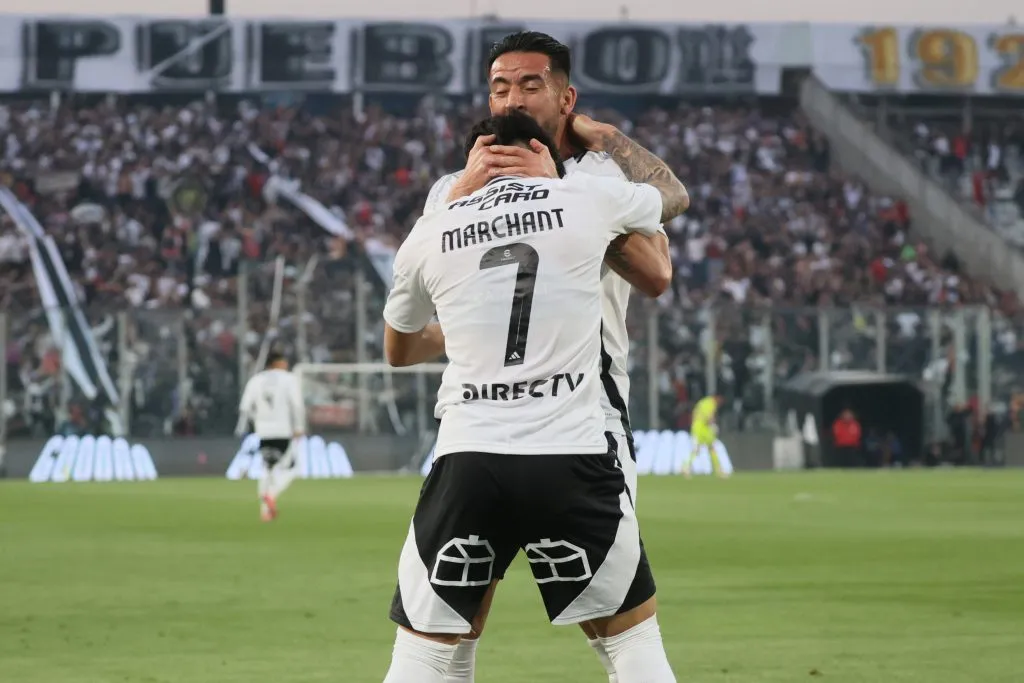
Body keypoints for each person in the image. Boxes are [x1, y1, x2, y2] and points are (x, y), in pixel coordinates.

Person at [379, 110, 688, 683]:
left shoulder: (433, 227)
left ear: (474, 162)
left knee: (429, 650)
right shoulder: (586, 198)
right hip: (571, 453)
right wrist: (606, 140)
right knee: (631, 642)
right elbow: (672, 196)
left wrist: (475, 322)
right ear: (545, 153)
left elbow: (398, 351)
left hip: (468, 456)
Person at [236, 350, 306, 522]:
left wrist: (258, 421)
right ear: (278, 363)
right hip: (283, 430)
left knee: (267, 468)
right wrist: (299, 426)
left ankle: (265, 511)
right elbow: (297, 405)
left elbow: (245, 407)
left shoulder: (255, 380)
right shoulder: (289, 379)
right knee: (292, 468)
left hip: (263, 431)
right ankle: (271, 495)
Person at [683, 395, 726, 478]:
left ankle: (686, 466)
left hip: (696, 427)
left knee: (700, 449)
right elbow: (710, 417)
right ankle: (719, 470)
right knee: (710, 448)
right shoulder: (711, 404)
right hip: (703, 428)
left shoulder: (702, 402)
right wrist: (713, 425)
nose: (720, 403)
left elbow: (695, 413)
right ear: (717, 397)